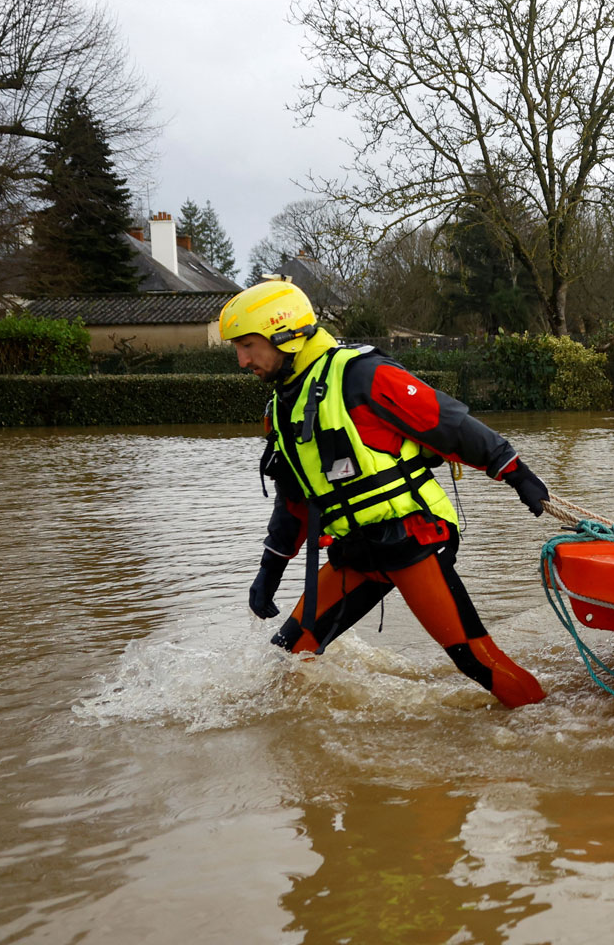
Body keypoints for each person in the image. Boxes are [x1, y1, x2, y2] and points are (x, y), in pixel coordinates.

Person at [221, 279, 554, 709]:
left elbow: (449, 424)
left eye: (248, 345)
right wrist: (270, 569)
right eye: (237, 348)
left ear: (285, 334)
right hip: (356, 552)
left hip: (412, 537)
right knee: (287, 657)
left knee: (474, 659)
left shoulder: (361, 375)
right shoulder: (281, 409)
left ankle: (555, 720)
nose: (242, 360)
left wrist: (516, 473)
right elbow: (294, 501)